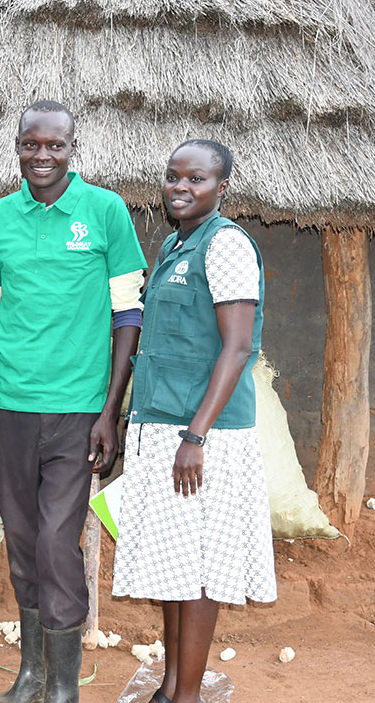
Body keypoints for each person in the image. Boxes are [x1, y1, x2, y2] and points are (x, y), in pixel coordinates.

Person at [0, 100, 148, 703]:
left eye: (55, 146)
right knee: (20, 542)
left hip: (78, 413)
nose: (42, 156)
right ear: (17, 146)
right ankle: (31, 678)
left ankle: (63, 687)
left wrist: (110, 412)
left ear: (73, 147)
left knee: (57, 544)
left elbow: (128, 316)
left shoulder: (105, 212)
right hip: (10, 409)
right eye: (31, 145)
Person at [111, 140, 277, 703]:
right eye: (173, 177)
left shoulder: (226, 245)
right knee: (175, 567)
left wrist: (196, 435)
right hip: (162, 428)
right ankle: (170, 685)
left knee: (201, 569)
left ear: (222, 186)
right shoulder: (173, 245)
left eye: (197, 180)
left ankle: (185, 696)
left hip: (205, 438)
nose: (181, 188)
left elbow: (236, 349)